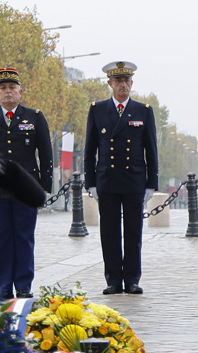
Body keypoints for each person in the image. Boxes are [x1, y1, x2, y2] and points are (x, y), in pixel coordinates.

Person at [0, 68, 53, 301]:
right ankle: (3, 287)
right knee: (1, 238)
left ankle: (24, 286)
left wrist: (45, 186)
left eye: (12, 88)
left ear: (20, 92)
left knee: (24, 237)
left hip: (26, 187)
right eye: (3, 88)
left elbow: (45, 155)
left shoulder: (35, 117)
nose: (8, 92)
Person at [84, 61, 158, 295]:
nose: (122, 85)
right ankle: (113, 280)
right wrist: (91, 182)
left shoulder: (143, 110)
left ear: (132, 84)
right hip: (107, 179)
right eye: (118, 81)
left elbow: (151, 149)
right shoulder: (97, 109)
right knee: (109, 232)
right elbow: (90, 149)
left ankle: (133, 279)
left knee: (134, 232)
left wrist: (151, 184)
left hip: (134, 179)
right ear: (110, 84)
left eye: (126, 81)